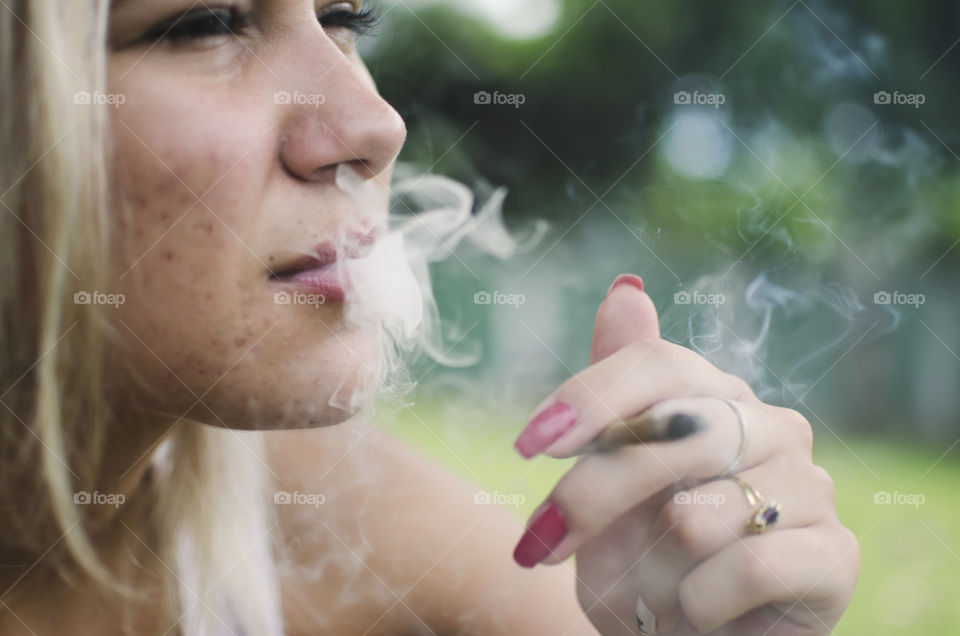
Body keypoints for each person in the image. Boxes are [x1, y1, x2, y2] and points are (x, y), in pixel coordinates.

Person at [0, 1, 858, 634]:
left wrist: (727, 612)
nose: (376, 124)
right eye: (206, 24)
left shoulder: (316, 517)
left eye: (344, 19)